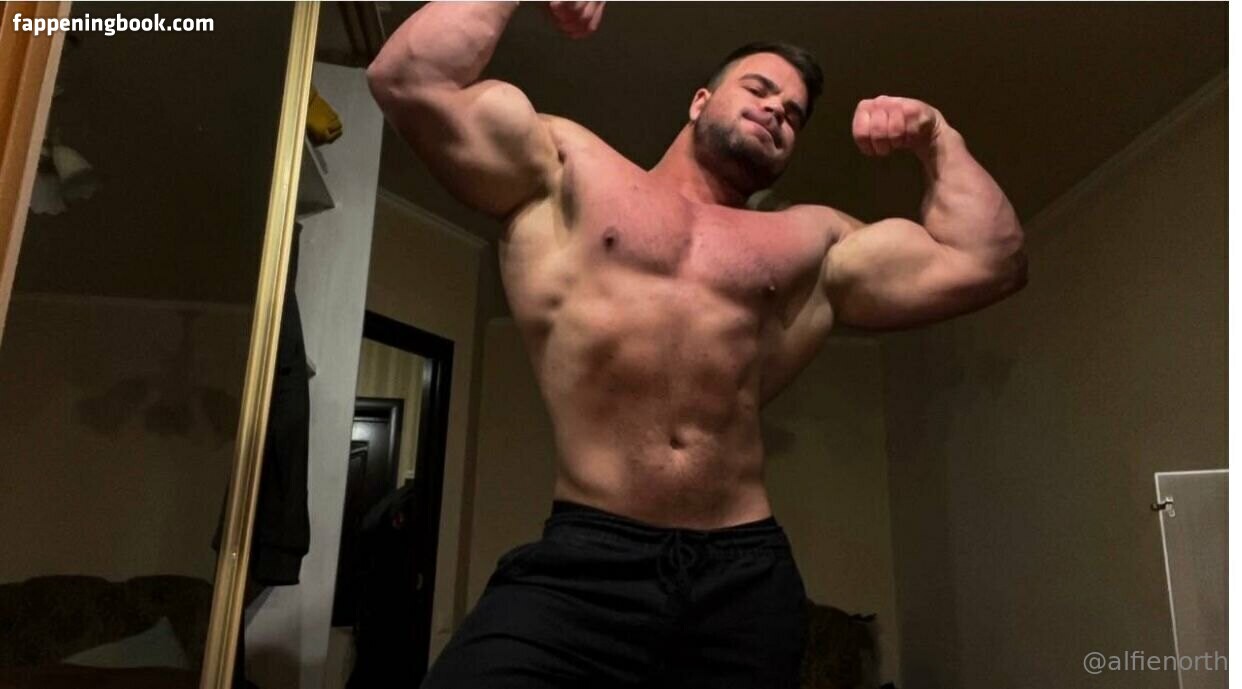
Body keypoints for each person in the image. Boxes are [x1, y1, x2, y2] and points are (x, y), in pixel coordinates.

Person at [366, 2, 1027, 687]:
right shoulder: (569, 166)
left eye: (794, 114)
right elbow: (408, 80)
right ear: (700, 101)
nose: (777, 112)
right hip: (587, 561)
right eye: (760, 89)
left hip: (744, 577)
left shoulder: (813, 241)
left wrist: (937, 137)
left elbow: (992, 261)